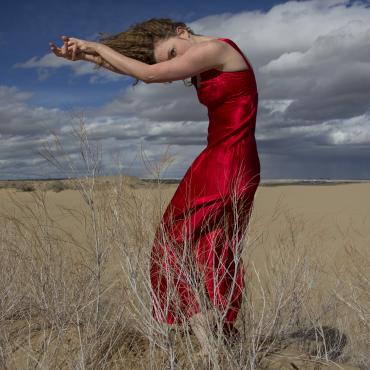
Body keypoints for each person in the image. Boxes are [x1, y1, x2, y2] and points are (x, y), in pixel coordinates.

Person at [50, 17, 260, 358]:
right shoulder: (204, 58)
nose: (174, 63)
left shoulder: (217, 48)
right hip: (226, 160)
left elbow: (148, 74)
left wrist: (98, 46)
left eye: (174, 52)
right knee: (207, 249)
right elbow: (143, 70)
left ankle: (211, 343)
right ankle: (215, 345)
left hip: (227, 162)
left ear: (181, 31)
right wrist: (87, 58)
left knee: (173, 244)